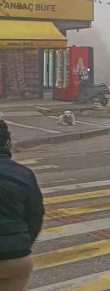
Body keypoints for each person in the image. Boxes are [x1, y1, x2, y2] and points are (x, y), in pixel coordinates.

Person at [0, 120, 44, 291]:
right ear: (8, 142)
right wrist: (20, 245)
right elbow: (35, 215)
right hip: (15, 259)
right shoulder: (23, 174)